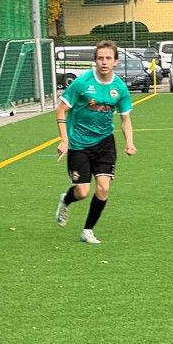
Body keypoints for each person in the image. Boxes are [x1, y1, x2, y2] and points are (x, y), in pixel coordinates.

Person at [53, 40, 136, 244]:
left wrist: (129, 142)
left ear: (116, 61)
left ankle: (88, 230)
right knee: (82, 192)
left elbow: (125, 118)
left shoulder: (120, 88)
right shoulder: (82, 83)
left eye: (108, 58)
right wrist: (64, 140)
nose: (104, 62)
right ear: (95, 61)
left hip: (104, 142)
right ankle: (66, 200)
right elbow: (61, 110)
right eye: (100, 58)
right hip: (79, 143)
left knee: (103, 188)